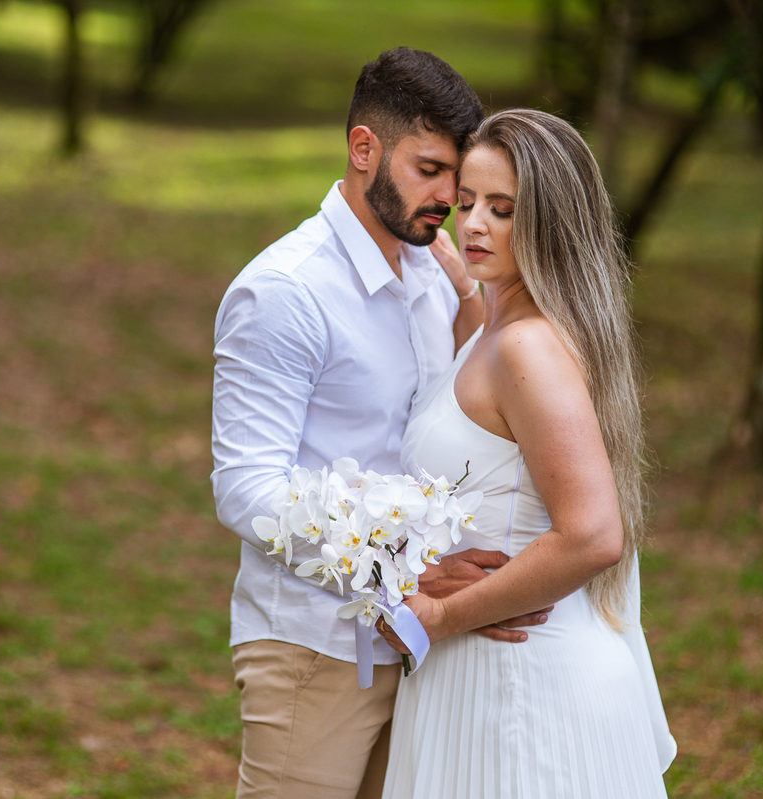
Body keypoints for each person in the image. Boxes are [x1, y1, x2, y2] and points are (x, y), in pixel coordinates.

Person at [211, 50, 549, 799]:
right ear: (364, 149)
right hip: (315, 650)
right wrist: (401, 564)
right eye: (429, 170)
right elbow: (245, 489)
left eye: (455, 178)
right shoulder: (282, 293)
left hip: (428, 648)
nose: (447, 197)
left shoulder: (435, 271)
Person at [378, 108, 677, 798]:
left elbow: (595, 533)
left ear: (549, 222)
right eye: (467, 203)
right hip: (478, 676)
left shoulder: (527, 349)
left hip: (522, 684)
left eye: (502, 209)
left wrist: (444, 615)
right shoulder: (498, 326)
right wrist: (464, 288)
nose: (473, 224)